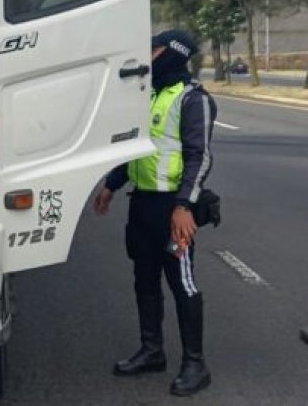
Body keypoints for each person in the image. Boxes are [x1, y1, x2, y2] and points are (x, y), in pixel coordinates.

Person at [94, 29, 217, 398]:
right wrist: (111, 185)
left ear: (174, 53)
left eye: (155, 49)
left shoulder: (193, 99)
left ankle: (195, 364)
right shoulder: (147, 95)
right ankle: (152, 351)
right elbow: (135, 148)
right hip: (142, 204)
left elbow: (200, 156)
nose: (149, 55)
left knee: (182, 283)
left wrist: (183, 207)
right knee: (143, 280)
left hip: (173, 209)